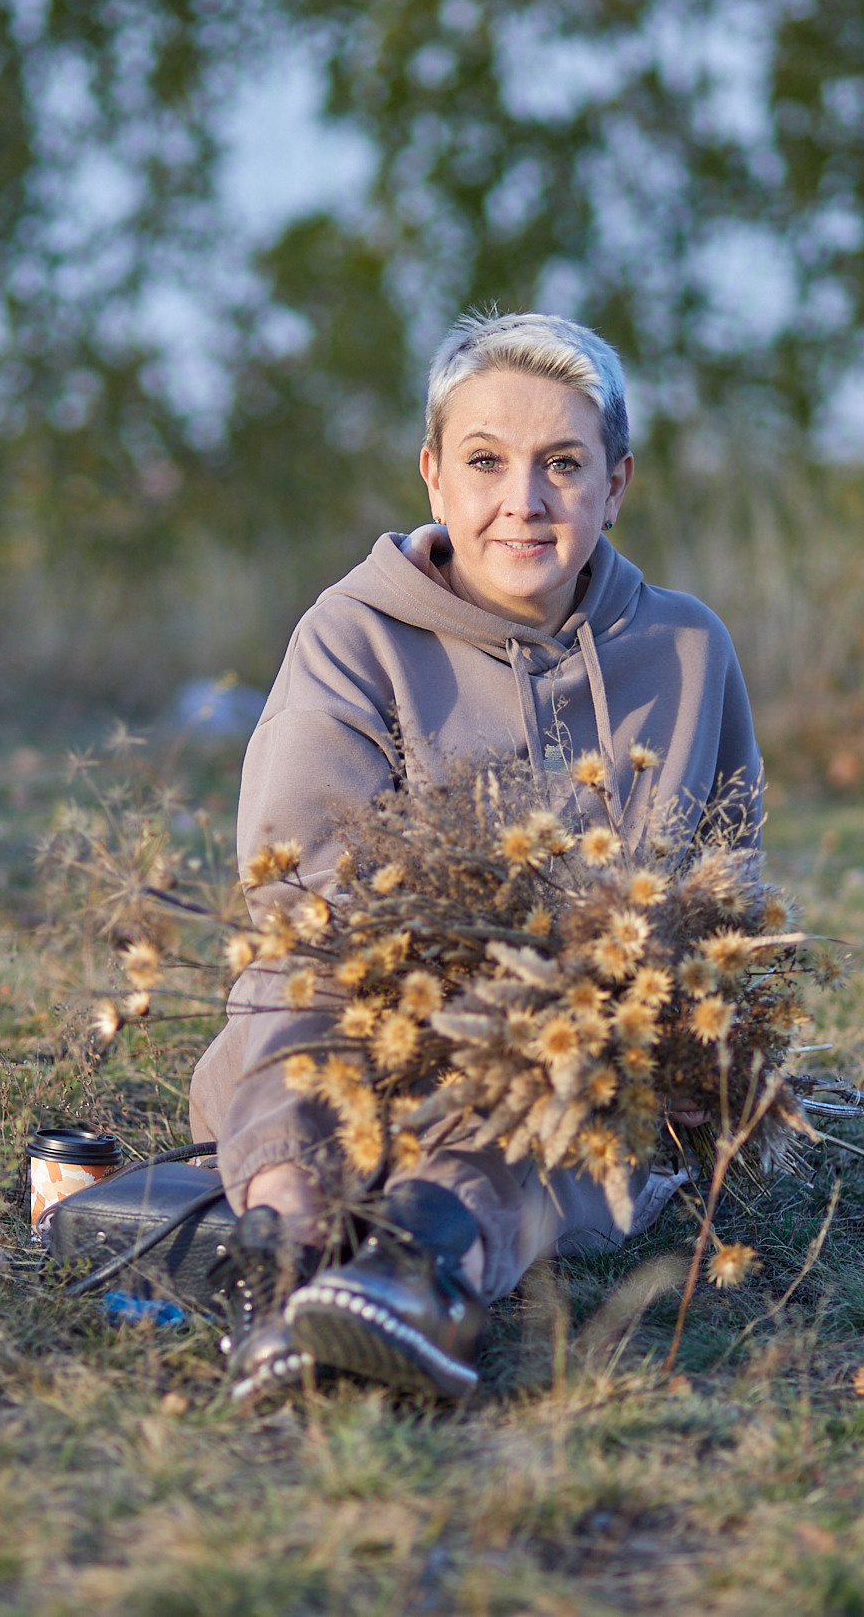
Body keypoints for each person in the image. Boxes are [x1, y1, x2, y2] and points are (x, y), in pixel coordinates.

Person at [188, 310, 762, 1401]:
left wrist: (702, 1033)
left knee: (574, 1065)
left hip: (565, 1038)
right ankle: (280, 1265)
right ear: (434, 477)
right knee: (285, 989)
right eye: (487, 463)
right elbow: (294, 880)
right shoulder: (351, 634)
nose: (524, 502)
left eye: (562, 465)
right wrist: (435, 984)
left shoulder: (687, 649)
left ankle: (416, 1276)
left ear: (616, 484)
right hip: (368, 1006)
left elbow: (729, 886)